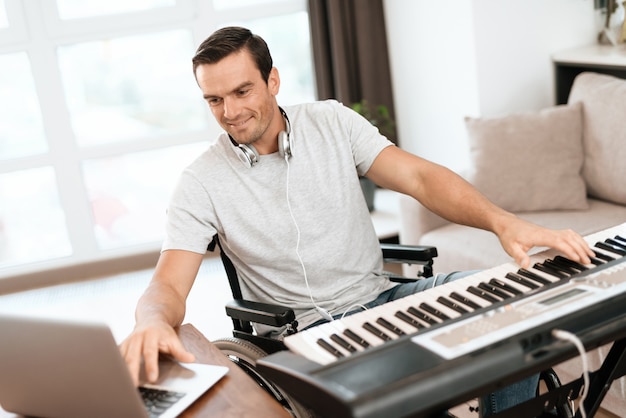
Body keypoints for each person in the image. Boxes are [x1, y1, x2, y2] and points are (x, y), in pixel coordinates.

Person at [120, 26, 593, 416]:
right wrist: (152, 320)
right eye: (214, 100)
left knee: (518, 307)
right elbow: (169, 284)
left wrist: (502, 223)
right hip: (299, 336)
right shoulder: (200, 181)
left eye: (242, 91)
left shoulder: (331, 122)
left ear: (273, 80)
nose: (231, 112)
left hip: (385, 299)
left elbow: (421, 179)